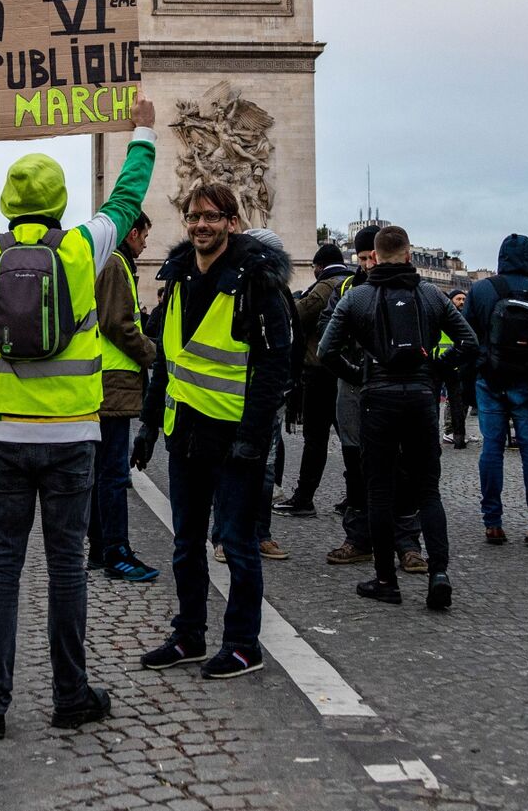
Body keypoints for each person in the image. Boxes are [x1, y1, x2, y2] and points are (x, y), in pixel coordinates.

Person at [0, 93, 156, 739]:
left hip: (3, 436)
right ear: (57, 202)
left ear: (10, 204)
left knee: (1, 565)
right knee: (67, 567)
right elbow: (127, 198)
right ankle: (71, 693)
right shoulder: (84, 248)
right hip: (75, 433)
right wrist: (142, 129)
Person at [133, 180, 291, 681]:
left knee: (239, 544)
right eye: (195, 216)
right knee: (185, 543)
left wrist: (254, 436)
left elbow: (273, 368)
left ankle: (245, 644)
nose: (202, 225)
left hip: (234, 437)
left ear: (232, 223)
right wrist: (149, 425)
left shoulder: (258, 282)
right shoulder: (177, 277)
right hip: (186, 434)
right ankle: (189, 634)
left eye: (212, 217)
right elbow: (168, 362)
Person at [325, 225, 474, 609]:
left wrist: (358, 374)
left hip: (377, 399)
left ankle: (385, 580)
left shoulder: (357, 297)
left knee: (378, 489)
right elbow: (469, 343)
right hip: (421, 398)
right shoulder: (430, 295)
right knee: (427, 490)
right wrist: (436, 368)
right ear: (409, 256)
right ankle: (439, 573)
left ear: (374, 257)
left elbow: (327, 351)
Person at [462, 234, 528, 547]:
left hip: (490, 378)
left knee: (492, 448)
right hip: (527, 379)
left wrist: (479, 362)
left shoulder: (481, 290)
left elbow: (466, 332)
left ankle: (493, 522)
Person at [90, 212, 160, 583]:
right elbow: (117, 323)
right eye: (145, 235)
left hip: (102, 379)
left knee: (102, 472)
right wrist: (151, 352)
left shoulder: (106, 261)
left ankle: (100, 548)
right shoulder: (116, 265)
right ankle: (116, 551)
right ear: (132, 233)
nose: (147, 244)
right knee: (114, 474)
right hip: (112, 382)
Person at [275, 242, 353, 516]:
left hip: (320, 371)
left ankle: (304, 497)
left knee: (315, 438)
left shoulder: (325, 286)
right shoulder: (351, 283)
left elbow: (297, 314)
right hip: (344, 370)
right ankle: (354, 496)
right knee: (348, 437)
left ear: (319, 266)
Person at [438, 289, 476, 448]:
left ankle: (458, 433)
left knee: (460, 398)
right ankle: (449, 431)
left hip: (459, 361)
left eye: (463, 299)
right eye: (458, 298)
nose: (462, 302)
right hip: (443, 360)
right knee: (451, 399)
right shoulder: (447, 315)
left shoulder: (463, 317)